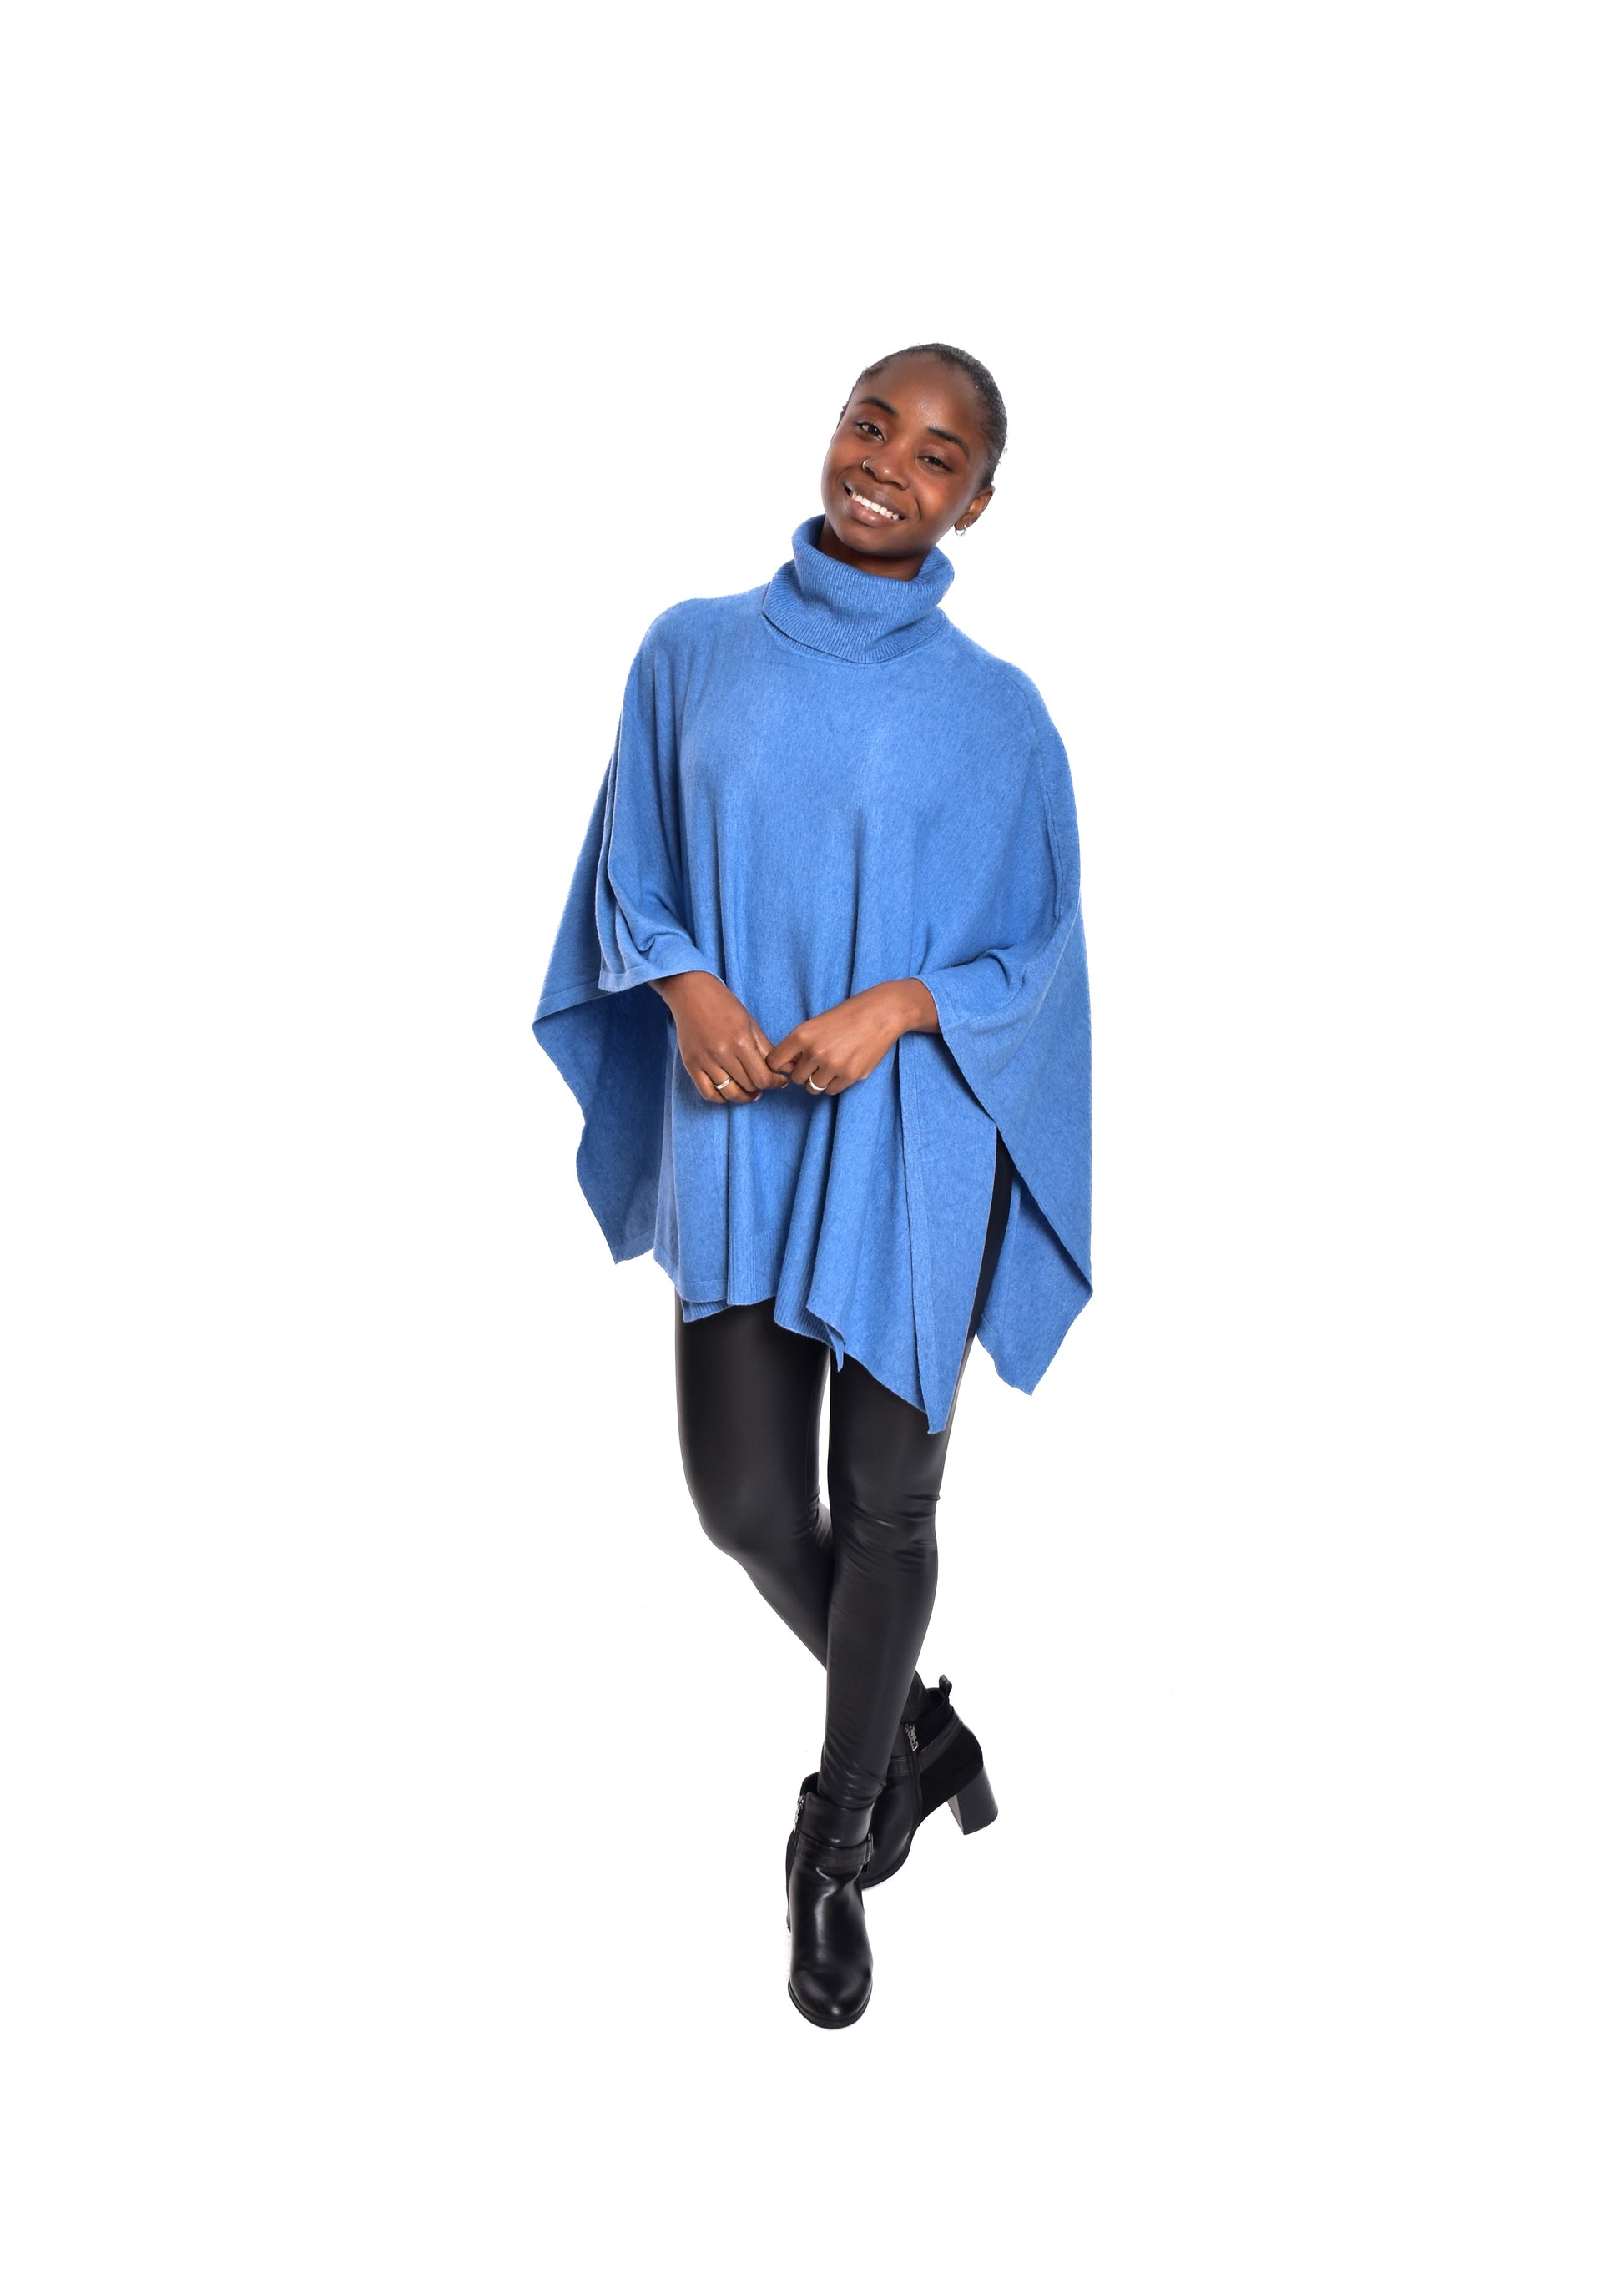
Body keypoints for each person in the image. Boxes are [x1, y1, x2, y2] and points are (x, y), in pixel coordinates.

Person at [532, 345, 1092, 2028]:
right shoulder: (689, 651)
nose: (888, 465)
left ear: (973, 504)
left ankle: (837, 1841)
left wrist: (902, 1003)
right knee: (744, 1504)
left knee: (889, 1511)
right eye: (872, 424)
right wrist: (687, 986)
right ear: (833, 427)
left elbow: (1039, 961)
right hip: (744, 1128)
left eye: (935, 456)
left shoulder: (1000, 716)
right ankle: (917, 1733)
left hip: (917, 1143)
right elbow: (631, 871)